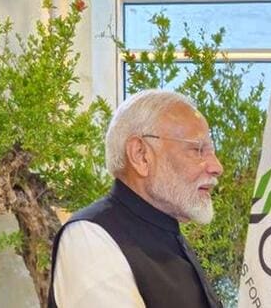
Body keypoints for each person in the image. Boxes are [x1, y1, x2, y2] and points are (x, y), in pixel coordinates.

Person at [48, 90, 224, 307]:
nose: (217, 167)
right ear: (140, 155)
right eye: (198, 149)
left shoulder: (166, 233)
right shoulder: (91, 238)